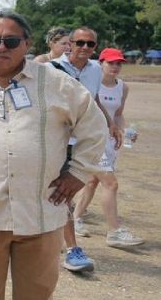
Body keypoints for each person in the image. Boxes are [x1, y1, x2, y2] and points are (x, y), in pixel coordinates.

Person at [0, 10, 108, 299]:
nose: (1, 47)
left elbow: (94, 127)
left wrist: (79, 172)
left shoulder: (56, 83)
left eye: (11, 40)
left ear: (27, 44)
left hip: (41, 214)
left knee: (36, 294)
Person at [49, 26, 122, 272]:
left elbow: (95, 99)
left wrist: (110, 123)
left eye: (90, 44)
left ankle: (61, 240)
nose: (84, 48)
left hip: (83, 142)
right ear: (70, 44)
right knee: (62, 194)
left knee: (66, 193)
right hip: (56, 141)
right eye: (79, 43)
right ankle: (72, 249)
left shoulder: (94, 71)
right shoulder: (51, 69)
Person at [71, 48, 143, 247]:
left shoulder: (122, 87)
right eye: (111, 63)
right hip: (92, 141)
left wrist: (125, 129)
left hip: (110, 143)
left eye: (119, 63)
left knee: (92, 181)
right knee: (111, 183)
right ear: (100, 63)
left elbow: (118, 114)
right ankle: (114, 232)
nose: (115, 67)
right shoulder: (91, 86)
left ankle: (75, 218)